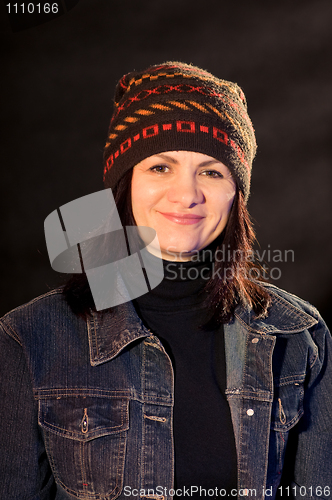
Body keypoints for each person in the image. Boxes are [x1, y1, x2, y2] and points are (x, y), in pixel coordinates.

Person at [0, 62, 331, 500]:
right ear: (125, 183)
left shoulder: (299, 338)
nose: (187, 194)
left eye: (212, 172)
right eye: (160, 167)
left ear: (237, 194)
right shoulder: (29, 339)